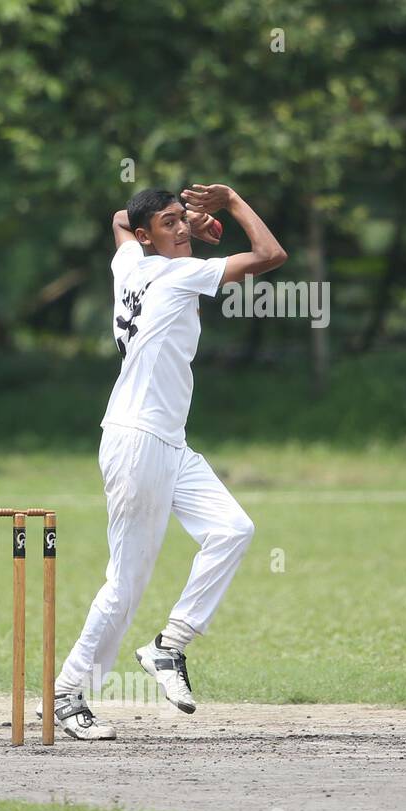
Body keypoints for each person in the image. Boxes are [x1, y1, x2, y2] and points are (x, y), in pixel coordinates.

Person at [42, 184, 286, 740]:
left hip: (169, 442)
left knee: (231, 529)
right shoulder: (176, 276)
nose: (181, 228)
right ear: (151, 237)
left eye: (184, 219)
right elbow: (272, 257)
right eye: (171, 223)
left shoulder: (129, 264)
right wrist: (232, 203)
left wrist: (181, 229)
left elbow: (118, 218)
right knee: (126, 584)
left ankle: (168, 645)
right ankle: (66, 693)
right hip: (137, 440)